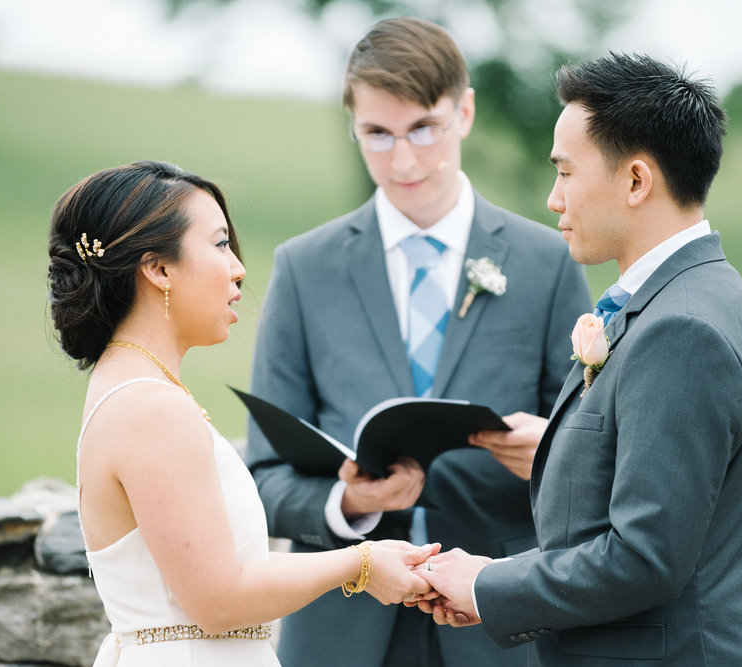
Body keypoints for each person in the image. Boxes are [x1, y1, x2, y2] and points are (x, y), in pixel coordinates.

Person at [244, 17, 592, 667]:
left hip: (500, 624)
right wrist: (347, 503)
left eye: (423, 129)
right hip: (342, 625)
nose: (402, 161)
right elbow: (263, 476)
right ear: (354, 127)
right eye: (377, 134)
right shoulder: (304, 268)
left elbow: (596, 450)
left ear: (464, 111)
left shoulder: (547, 262)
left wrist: (550, 449)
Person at [415, 53, 742, 665]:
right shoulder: (691, 294)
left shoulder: (682, 328)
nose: (552, 198)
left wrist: (485, 583)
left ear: (637, 181)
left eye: (564, 172)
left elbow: (643, 559)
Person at [46, 160, 439, 666]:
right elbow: (218, 600)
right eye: (219, 244)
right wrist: (360, 562)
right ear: (158, 269)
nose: (238, 267)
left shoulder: (130, 388)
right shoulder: (149, 406)